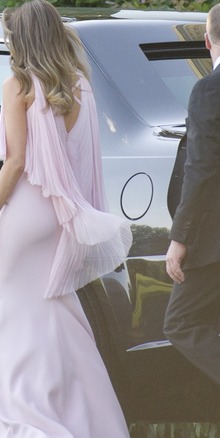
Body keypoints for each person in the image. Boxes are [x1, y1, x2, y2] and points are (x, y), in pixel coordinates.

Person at [0, 0, 132, 435]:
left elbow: (16, 161)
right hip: (58, 217)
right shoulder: (80, 86)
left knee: (7, 319)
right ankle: (91, 423)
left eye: (9, 38)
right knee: (57, 317)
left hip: (24, 215)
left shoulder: (18, 85)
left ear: (22, 39)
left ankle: (27, 424)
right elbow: (81, 162)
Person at [164, 4, 220, 387]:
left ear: (207, 41)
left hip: (214, 239)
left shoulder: (208, 91)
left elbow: (201, 169)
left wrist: (180, 236)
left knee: (180, 322)